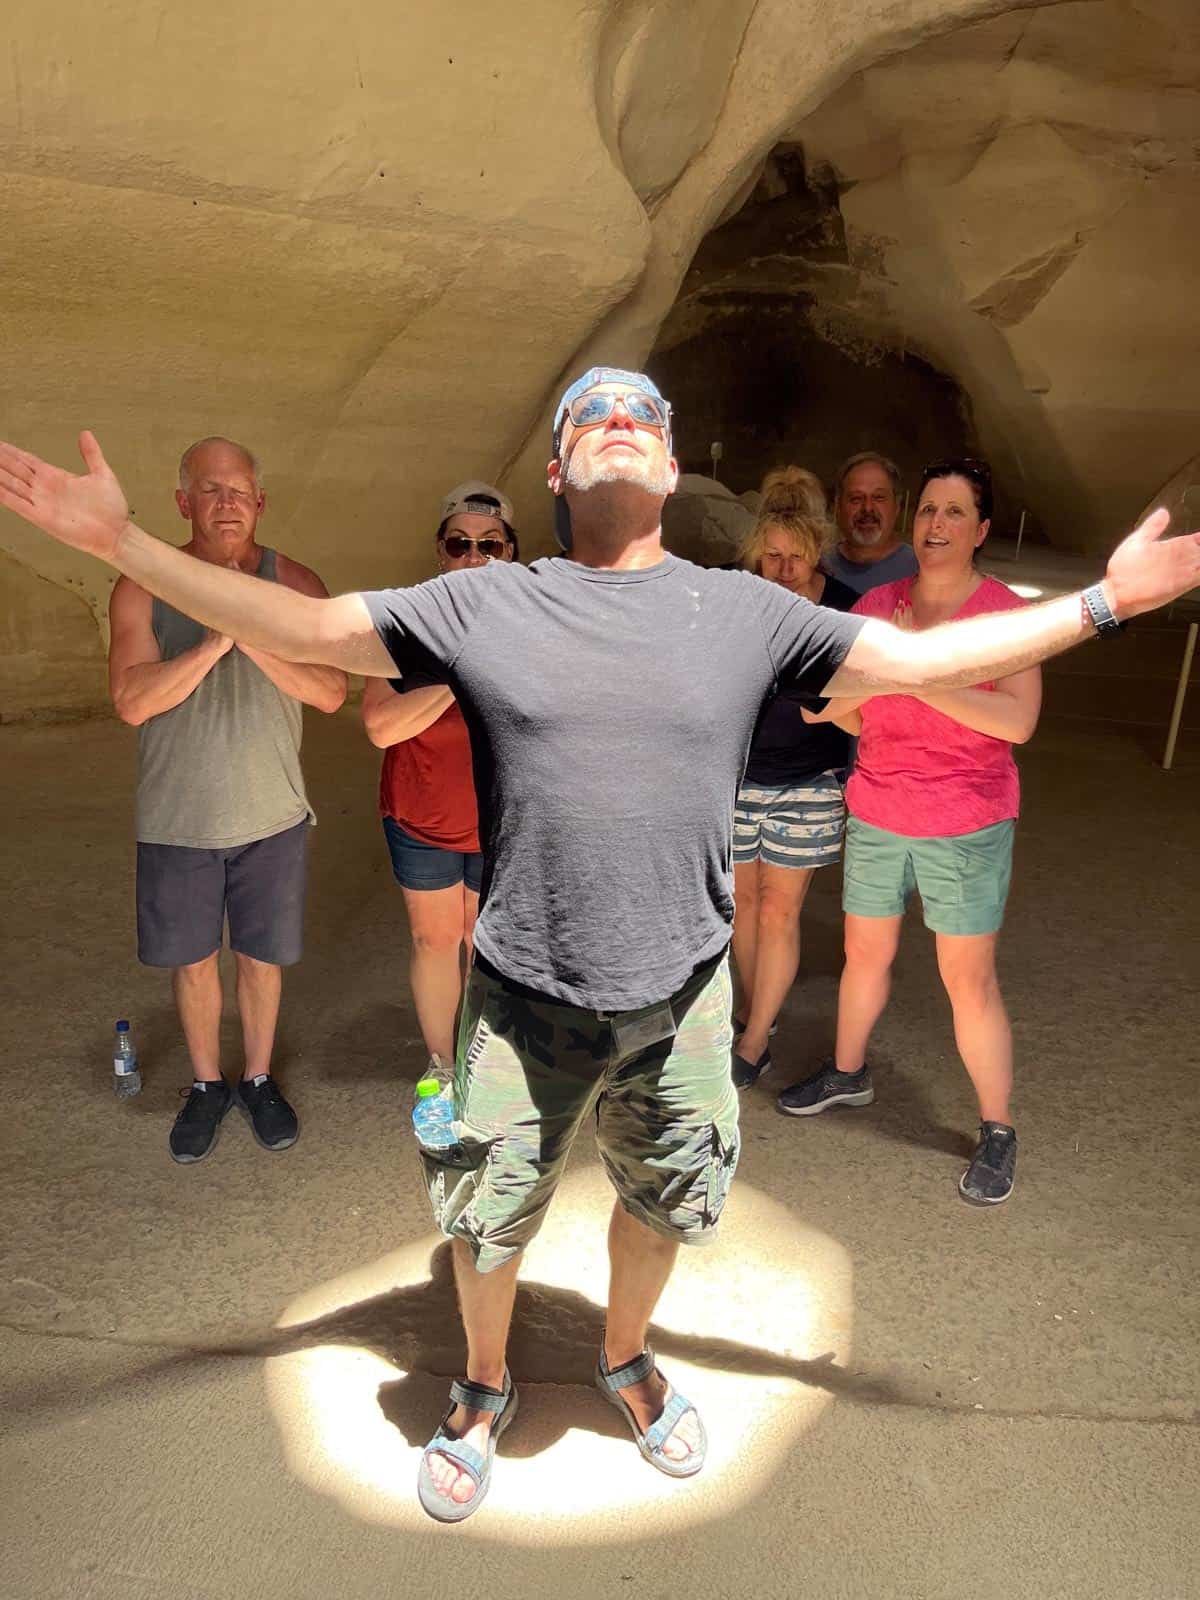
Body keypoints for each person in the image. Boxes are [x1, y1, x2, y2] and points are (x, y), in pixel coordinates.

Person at [2, 391, 1196, 1520]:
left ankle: (625, 1356)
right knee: (487, 1220)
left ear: (668, 468)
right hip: (520, 998)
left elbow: (921, 663)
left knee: (665, 1204)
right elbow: (312, 628)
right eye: (594, 416)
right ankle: (482, 1380)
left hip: (680, 1001)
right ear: (563, 470)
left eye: (643, 416)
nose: (620, 425)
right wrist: (129, 550)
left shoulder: (741, 610)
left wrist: (1104, 604)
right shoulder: (491, 602)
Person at [779, 460, 1040, 1206]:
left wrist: (920, 675)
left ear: (982, 530)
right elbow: (860, 711)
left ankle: (997, 1127)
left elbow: (1017, 720)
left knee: (968, 979)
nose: (937, 525)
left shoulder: (1004, 617)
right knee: (866, 952)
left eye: (956, 513)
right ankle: (848, 1071)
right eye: (929, 509)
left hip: (966, 820)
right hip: (879, 809)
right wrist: (832, 701)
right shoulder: (876, 606)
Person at [106, 437, 347, 1163]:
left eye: (239, 490)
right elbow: (130, 700)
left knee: (261, 959)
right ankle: (208, 1084)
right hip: (179, 817)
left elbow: (332, 691)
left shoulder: (296, 582)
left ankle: (260, 1075)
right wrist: (213, 644)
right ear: (184, 503)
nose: (226, 503)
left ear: (260, 502)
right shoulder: (142, 585)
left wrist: (259, 637)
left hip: (271, 812)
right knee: (193, 962)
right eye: (209, 490)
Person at [362, 482, 518, 1071]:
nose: (474, 557)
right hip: (422, 817)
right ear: (440, 550)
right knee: (434, 942)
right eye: (460, 544)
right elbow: (381, 726)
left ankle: (486, 1066)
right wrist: (459, 669)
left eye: (490, 545)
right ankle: (442, 1064)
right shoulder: (405, 620)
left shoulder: (530, 619)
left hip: (499, 821)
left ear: (511, 552)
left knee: (489, 948)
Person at [730, 481, 858, 1088]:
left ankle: (754, 1040)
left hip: (809, 779)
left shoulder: (842, 608)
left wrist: (832, 704)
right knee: (741, 908)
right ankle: (754, 1014)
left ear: (818, 556)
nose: (782, 569)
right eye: (771, 556)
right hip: (737, 775)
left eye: (795, 556)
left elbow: (865, 698)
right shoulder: (736, 601)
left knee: (779, 912)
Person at [824, 451, 919, 595]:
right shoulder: (819, 568)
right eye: (856, 498)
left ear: (897, 506)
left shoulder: (921, 571)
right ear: (838, 506)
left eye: (878, 497)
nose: (868, 508)